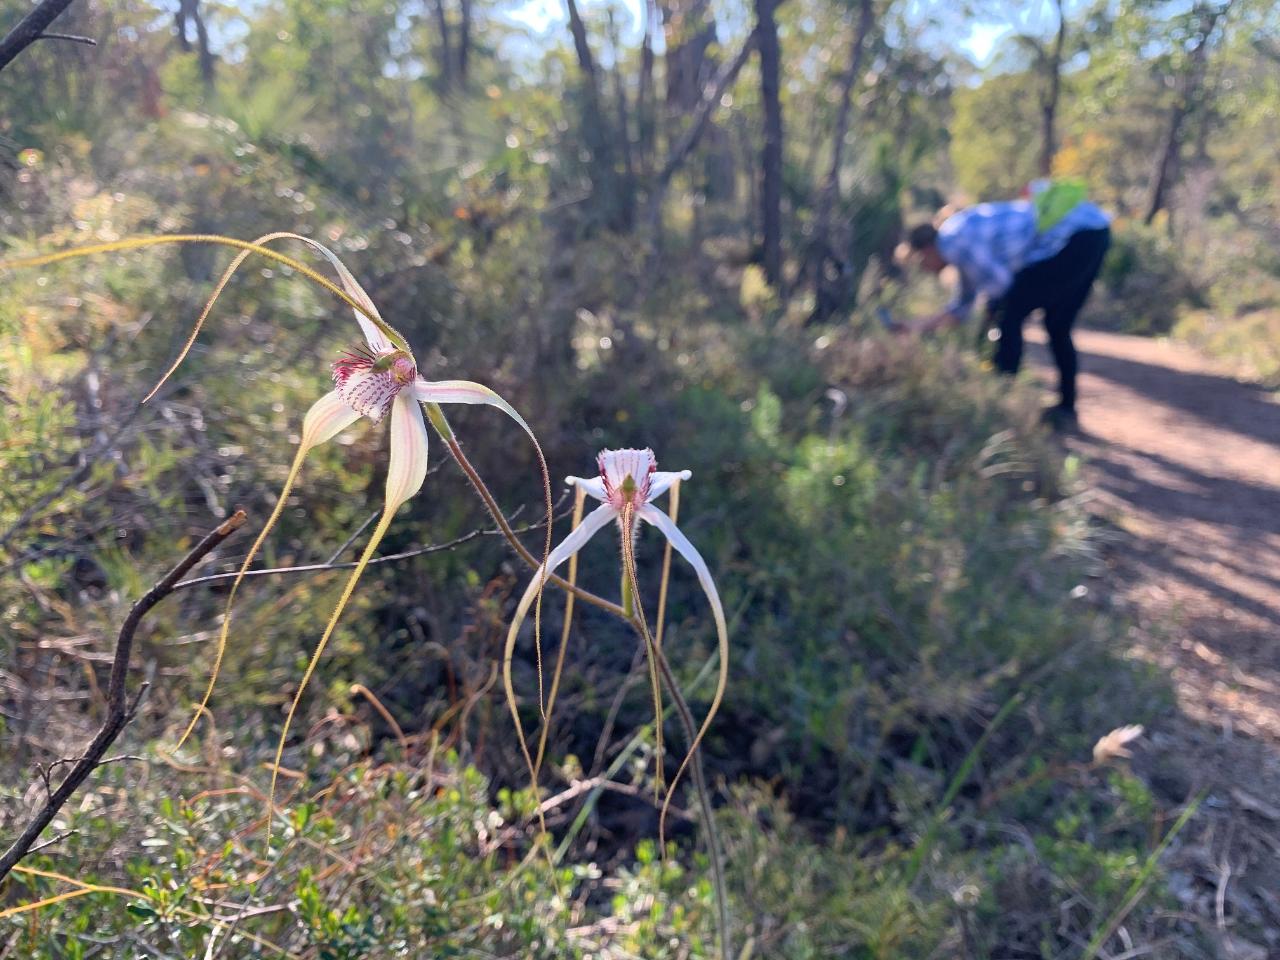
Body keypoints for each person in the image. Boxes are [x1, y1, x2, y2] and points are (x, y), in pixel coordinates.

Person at [906, 188, 1111, 429]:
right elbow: (962, 307)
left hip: (1075, 236)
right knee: (1056, 324)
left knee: (1009, 315)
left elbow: (1001, 286)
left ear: (927, 250)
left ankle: (1002, 397)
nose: (925, 269)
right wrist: (915, 327)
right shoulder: (956, 235)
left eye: (921, 262)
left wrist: (993, 313)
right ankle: (1065, 408)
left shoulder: (952, 242)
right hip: (1094, 230)